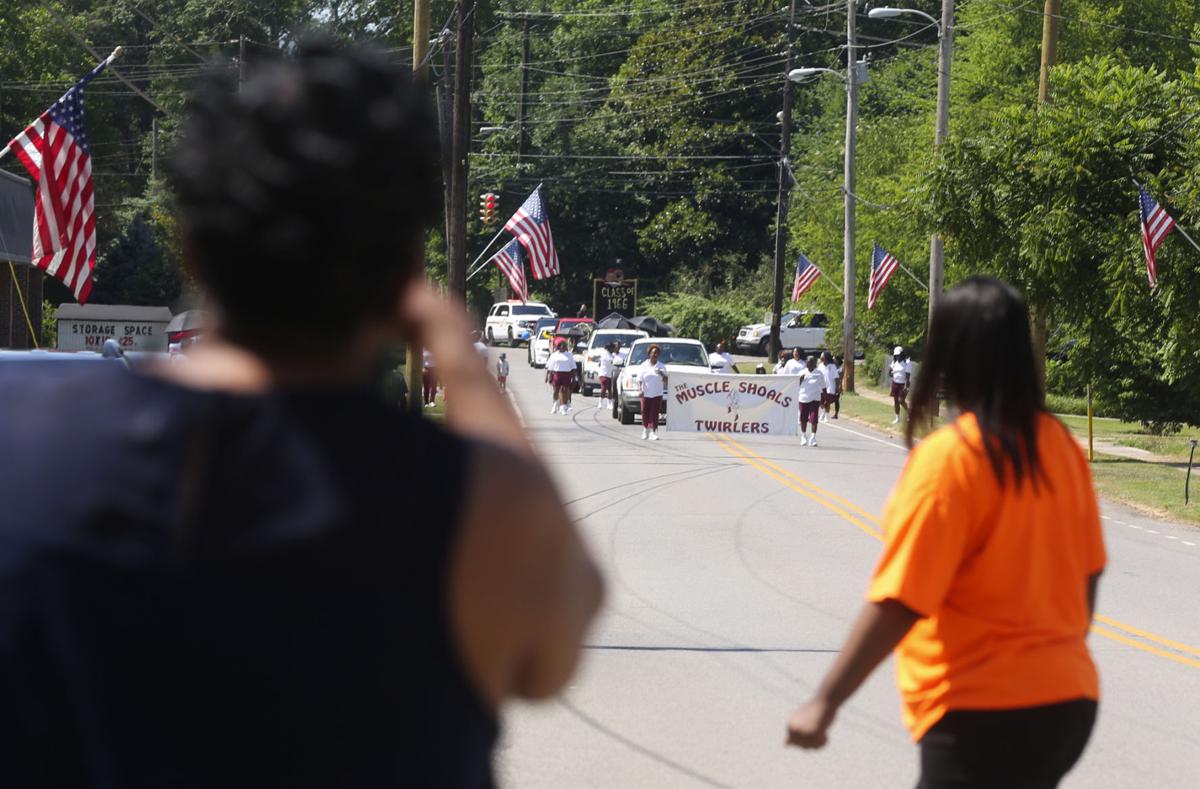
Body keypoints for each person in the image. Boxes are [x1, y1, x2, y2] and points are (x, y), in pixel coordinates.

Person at [0, 43, 603, 789]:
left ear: (194, 249)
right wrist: (456, 346)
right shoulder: (475, 499)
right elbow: (554, 650)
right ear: (403, 274)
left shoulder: (19, 433)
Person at [785, 277, 1105, 789]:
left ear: (949, 354)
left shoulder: (951, 457)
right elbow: (1089, 573)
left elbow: (901, 599)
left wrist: (825, 701)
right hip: (1067, 703)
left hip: (979, 711)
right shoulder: (1058, 445)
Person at [638, 344, 668, 440]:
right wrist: (640, 389)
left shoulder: (661, 366)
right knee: (644, 411)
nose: (654, 355)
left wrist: (661, 373)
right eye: (652, 353)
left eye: (656, 353)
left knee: (655, 413)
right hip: (646, 393)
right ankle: (645, 430)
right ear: (649, 354)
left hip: (657, 393)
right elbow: (639, 379)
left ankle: (653, 432)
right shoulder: (644, 365)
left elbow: (666, 380)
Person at [797, 355, 826, 446]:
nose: (808, 365)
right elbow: (796, 385)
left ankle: (813, 438)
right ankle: (803, 436)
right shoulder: (802, 372)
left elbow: (824, 387)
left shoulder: (819, 373)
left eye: (811, 363)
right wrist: (800, 380)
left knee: (814, 419)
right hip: (803, 398)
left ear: (814, 364)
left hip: (815, 399)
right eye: (807, 363)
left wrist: (824, 400)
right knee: (803, 419)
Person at [546, 339, 577, 415]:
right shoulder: (554, 355)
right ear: (558, 347)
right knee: (556, 391)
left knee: (564, 391)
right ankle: (555, 404)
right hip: (557, 374)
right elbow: (550, 367)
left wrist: (574, 377)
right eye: (561, 347)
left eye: (564, 347)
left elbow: (573, 367)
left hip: (566, 374)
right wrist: (548, 376)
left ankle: (563, 407)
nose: (562, 348)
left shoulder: (569, 355)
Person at [890, 345, 912, 424]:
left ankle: (909, 413)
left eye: (898, 355)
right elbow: (890, 372)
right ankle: (897, 418)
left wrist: (906, 386)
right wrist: (891, 372)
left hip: (903, 384)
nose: (897, 356)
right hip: (895, 383)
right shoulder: (894, 362)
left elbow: (908, 376)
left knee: (901, 400)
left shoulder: (907, 363)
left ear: (902, 354)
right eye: (896, 355)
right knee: (896, 401)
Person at [819, 351, 839, 422]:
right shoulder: (820, 366)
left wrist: (837, 387)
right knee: (821, 402)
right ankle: (823, 412)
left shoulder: (832, 366)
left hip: (830, 387)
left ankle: (826, 416)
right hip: (821, 387)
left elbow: (836, 377)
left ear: (826, 357)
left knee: (827, 402)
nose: (820, 357)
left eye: (822, 356)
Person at [597, 341, 616, 410]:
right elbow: (610, 361)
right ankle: (600, 403)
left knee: (610, 390)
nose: (614, 349)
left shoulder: (612, 355)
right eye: (613, 348)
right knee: (604, 387)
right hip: (603, 374)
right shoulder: (605, 354)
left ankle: (609, 404)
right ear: (610, 348)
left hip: (610, 374)